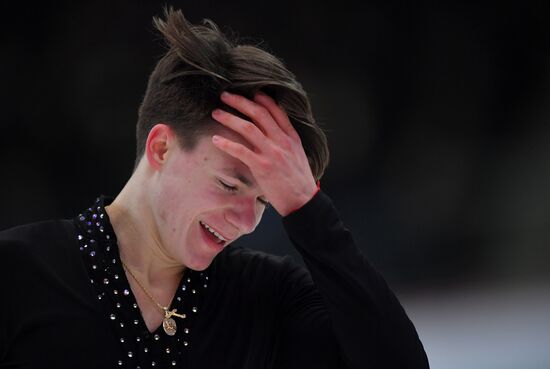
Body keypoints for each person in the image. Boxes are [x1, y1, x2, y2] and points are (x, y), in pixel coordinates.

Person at [0, 7, 429, 369]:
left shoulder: (266, 297)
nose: (246, 222)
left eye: (266, 200)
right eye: (229, 184)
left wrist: (306, 207)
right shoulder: (19, 273)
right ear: (162, 147)